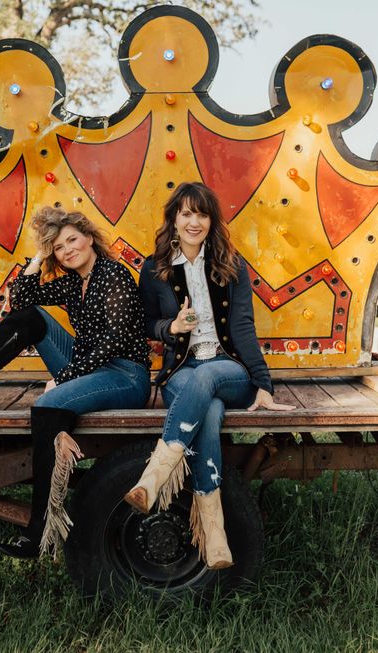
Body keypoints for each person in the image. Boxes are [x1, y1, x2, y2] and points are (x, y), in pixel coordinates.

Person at [0, 207, 151, 559]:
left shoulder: (113, 275)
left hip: (124, 374)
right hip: (89, 366)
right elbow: (21, 300)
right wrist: (38, 256)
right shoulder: (75, 281)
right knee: (30, 318)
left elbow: (113, 342)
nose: (67, 250)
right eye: (58, 247)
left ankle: (40, 530)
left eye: (72, 240)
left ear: (89, 237)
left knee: (46, 409)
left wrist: (64, 378)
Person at [124, 182, 294, 570]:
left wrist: (263, 384)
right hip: (182, 369)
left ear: (211, 220)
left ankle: (154, 477)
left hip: (227, 367)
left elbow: (244, 327)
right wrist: (173, 328)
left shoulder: (231, 265)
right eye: (185, 213)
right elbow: (146, 323)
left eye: (201, 213)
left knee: (209, 384)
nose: (193, 221)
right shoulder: (154, 270)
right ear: (174, 219)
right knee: (210, 414)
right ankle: (214, 534)